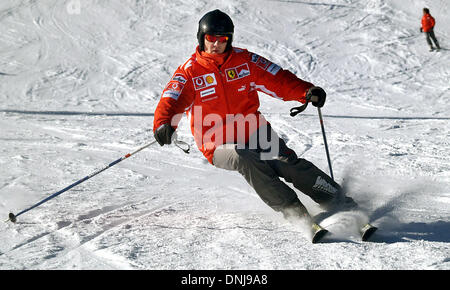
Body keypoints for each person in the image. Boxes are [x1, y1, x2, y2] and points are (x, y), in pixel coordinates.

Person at [153, 9, 355, 224]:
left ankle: (336, 199)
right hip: (216, 142)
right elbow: (171, 99)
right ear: (201, 38)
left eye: (222, 39)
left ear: (229, 40)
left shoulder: (246, 61)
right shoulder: (189, 72)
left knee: (285, 163)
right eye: (211, 38)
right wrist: (163, 123)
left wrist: (306, 92)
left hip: (254, 130)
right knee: (244, 157)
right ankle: (294, 211)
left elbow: (277, 78)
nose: (216, 44)